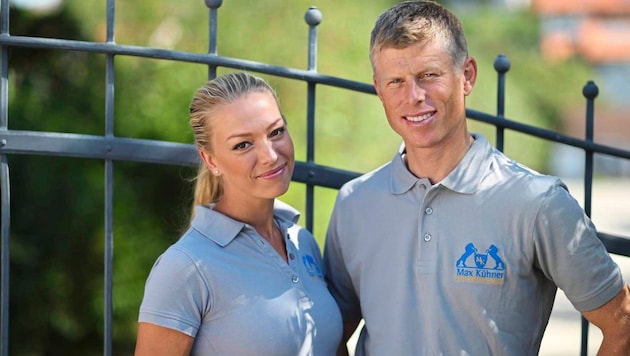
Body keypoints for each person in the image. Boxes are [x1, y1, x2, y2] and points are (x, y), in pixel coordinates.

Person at [323, 1, 630, 355]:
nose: (414, 96)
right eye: (396, 82)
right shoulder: (354, 203)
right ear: (379, 90)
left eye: (429, 75)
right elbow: (333, 334)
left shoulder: (535, 203)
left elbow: (621, 320)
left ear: (466, 75)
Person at [135, 72, 342, 355]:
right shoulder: (184, 268)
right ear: (211, 159)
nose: (270, 155)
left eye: (276, 132)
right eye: (243, 145)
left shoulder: (302, 241)